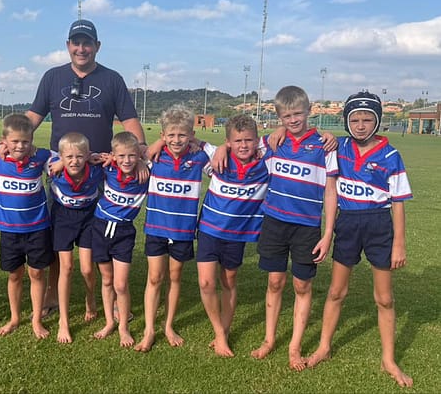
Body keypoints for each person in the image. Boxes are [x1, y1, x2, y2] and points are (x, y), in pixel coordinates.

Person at [25, 19, 147, 317]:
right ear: (68, 45)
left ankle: (113, 297)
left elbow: (130, 120)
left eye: (87, 43)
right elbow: (33, 117)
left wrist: (141, 152)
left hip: (101, 170)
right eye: (76, 43)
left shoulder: (112, 79)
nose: (81, 49)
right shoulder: (52, 77)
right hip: (62, 171)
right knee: (59, 235)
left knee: (106, 232)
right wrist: (9, 140)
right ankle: (52, 294)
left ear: (97, 46)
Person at [305, 91, 413, 387]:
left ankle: (388, 359)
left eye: (367, 119)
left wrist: (399, 243)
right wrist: (322, 133)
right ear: (346, 121)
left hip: (379, 225)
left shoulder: (391, 156)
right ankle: (324, 347)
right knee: (336, 292)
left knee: (385, 298)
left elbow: (398, 202)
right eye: (355, 120)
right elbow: (304, 133)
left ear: (377, 121)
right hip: (348, 223)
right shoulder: (338, 146)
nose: (361, 125)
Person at [250, 85, 338, 371]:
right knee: (275, 282)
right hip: (274, 222)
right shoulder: (273, 142)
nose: (293, 120)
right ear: (279, 117)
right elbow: (241, 144)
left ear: (309, 111)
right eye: (286, 116)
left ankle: (295, 346)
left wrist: (328, 233)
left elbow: (330, 191)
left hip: (307, 227)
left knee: (302, 285)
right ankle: (269, 339)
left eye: (298, 114)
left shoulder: (325, 145)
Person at [135, 105, 213, 353]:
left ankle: (168, 326)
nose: (176, 140)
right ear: (163, 135)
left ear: (191, 135)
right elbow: (129, 157)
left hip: (182, 231)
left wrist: (201, 144)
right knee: (154, 277)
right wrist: (150, 150)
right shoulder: (154, 157)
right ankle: (149, 330)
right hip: (156, 228)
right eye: (171, 135)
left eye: (182, 135)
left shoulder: (199, 158)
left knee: (175, 277)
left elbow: (220, 162)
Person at [196, 115, 269, 357]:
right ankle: (219, 333)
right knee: (206, 283)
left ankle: (224, 332)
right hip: (209, 229)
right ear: (228, 142)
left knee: (228, 281)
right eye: (237, 141)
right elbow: (191, 141)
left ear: (257, 141)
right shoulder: (218, 158)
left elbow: (285, 137)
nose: (243, 145)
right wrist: (219, 149)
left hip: (237, 234)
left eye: (248, 140)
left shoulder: (267, 163)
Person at [0, 114, 55, 339]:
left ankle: (37, 319)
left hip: (37, 228)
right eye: (15, 141)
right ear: (4, 140)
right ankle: (15, 317)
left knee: (37, 273)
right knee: (14, 275)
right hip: (9, 229)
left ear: (32, 140)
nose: (20, 146)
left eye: (25, 141)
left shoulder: (41, 157)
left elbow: (70, 154)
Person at [92, 132, 148, 347]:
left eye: (132, 156)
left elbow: (154, 154)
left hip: (124, 232)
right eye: (122, 156)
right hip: (100, 227)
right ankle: (109, 322)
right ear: (114, 155)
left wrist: (142, 161)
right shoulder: (108, 168)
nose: (127, 160)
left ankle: (123, 327)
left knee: (121, 284)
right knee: (107, 280)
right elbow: (85, 157)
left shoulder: (145, 174)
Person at [49, 132, 104, 343]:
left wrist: (98, 156)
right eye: (69, 157)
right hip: (63, 218)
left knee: (87, 269)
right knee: (67, 267)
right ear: (61, 157)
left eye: (80, 156)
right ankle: (63, 321)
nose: (75, 161)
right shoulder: (53, 168)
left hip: (88, 218)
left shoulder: (96, 169)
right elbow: (31, 156)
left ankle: (90, 298)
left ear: (87, 156)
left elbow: (118, 159)